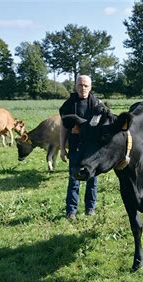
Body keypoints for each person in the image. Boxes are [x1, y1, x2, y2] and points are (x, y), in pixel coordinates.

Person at [59, 75, 109, 221]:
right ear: (75, 86)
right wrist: (62, 148)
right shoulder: (68, 105)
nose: (83, 88)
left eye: (86, 85)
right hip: (75, 148)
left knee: (92, 179)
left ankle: (90, 208)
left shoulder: (97, 104)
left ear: (90, 87)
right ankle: (71, 211)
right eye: (80, 85)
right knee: (74, 180)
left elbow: (104, 124)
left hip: (92, 150)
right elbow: (63, 127)